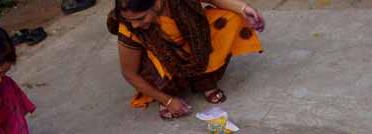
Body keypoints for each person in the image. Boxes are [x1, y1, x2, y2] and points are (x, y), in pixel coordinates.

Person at [107, 0, 265, 119]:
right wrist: (167, 100)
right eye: (130, 20)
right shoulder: (128, 27)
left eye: (141, 18)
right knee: (152, 64)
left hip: (193, 48)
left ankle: (204, 81)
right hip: (164, 61)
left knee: (232, 17)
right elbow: (129, 73)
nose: (134, 25)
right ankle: (168, 92)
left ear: (157, 3)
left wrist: (244, 8)